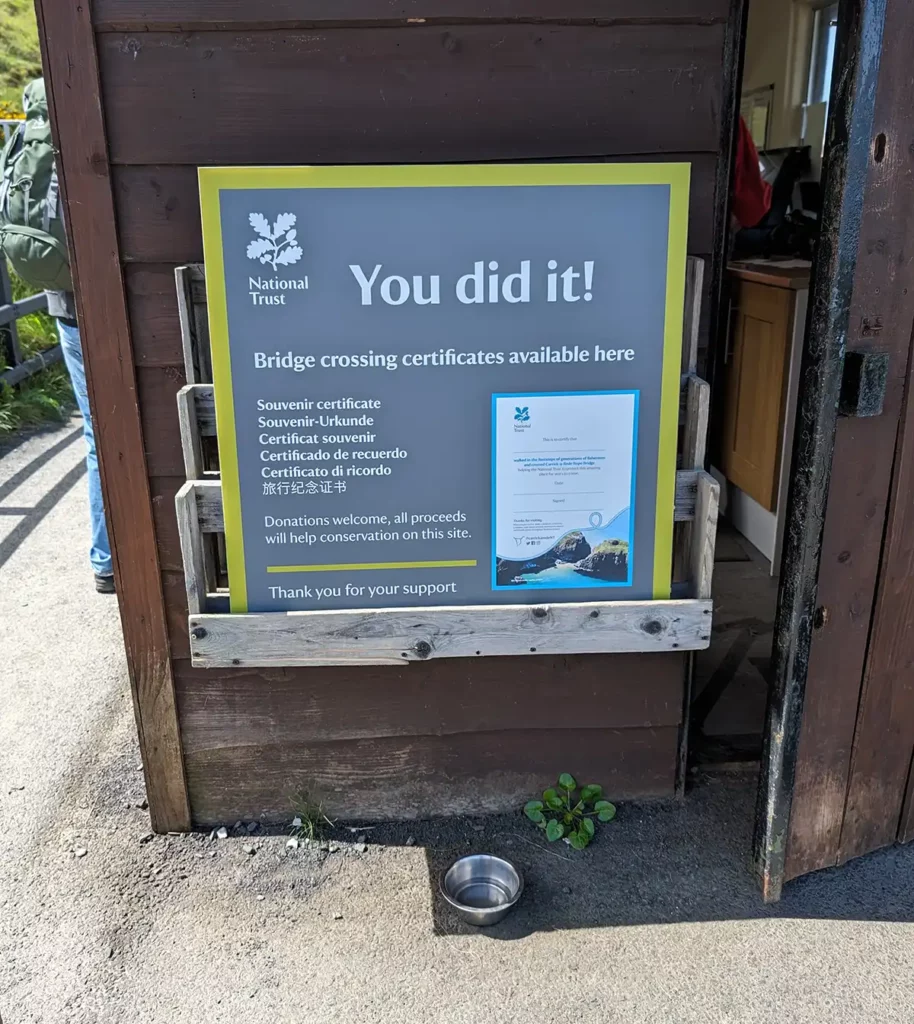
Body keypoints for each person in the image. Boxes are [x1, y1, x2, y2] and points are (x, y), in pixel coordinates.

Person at [0, 79, 113, 592]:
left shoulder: (32, 133)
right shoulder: (95, 110)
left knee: (98, 432)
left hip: (64, 302)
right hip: (111, 297)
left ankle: (106, 558)